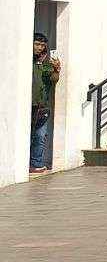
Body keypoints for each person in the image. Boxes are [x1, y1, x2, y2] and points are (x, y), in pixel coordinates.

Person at [30, 33, 60, 175]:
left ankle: (35, 163)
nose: (39, 48)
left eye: (42, 45)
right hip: (29, 105)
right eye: (37, 44)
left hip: (42, 107)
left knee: (40, 136)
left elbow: (54, 79)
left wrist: (56, 68)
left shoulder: (45, 65)